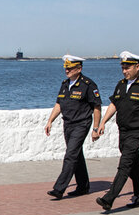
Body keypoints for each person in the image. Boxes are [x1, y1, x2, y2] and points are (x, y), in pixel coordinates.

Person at [94, 51, 139, 210]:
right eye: (123, 68)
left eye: (128, 68)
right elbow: (114, 104)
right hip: (123, 130)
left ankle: (108, 199)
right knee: (133, 164)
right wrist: (103, 122)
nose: (125, 71)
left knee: (125, 164)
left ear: (137, 66)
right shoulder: (121, 84)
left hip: (138, 131)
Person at [44, 54, 102, 198]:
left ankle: (59, 188)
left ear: (79, 68)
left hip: (81, 124)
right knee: (76, 154)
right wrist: (50, 120)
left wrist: (96, 128)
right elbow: (59, 103)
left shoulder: (88, 85)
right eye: (66, 68)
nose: (67, 71)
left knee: (70, 155)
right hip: (68, 123)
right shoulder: (65, 84)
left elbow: (97, 107)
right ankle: (83, 186)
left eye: (70, 68)